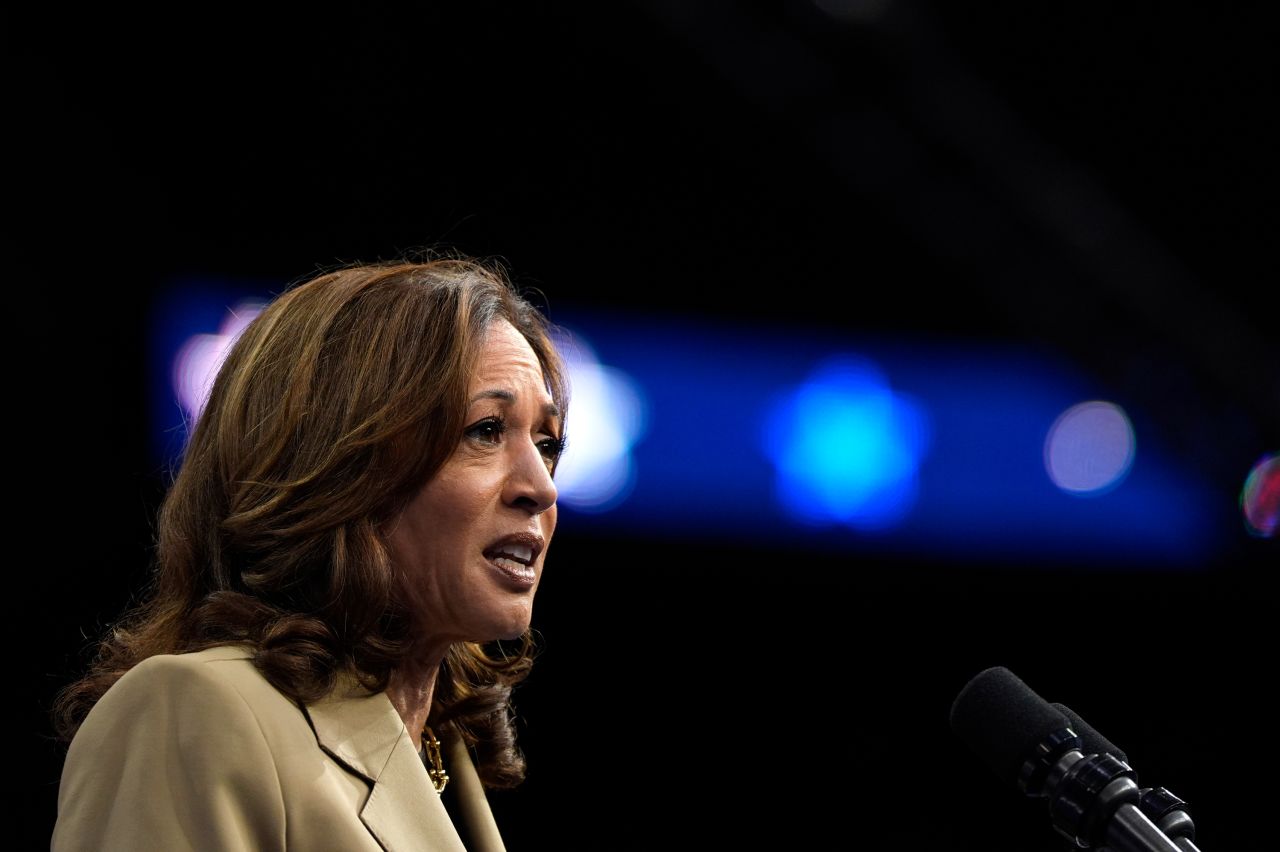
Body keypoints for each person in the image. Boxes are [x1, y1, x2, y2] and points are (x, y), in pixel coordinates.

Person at [50, 255, 570, 851]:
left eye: (548, 442)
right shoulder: (195, 713)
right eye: (484, 430)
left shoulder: (446, 758)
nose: (542, 487)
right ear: (339, 465)